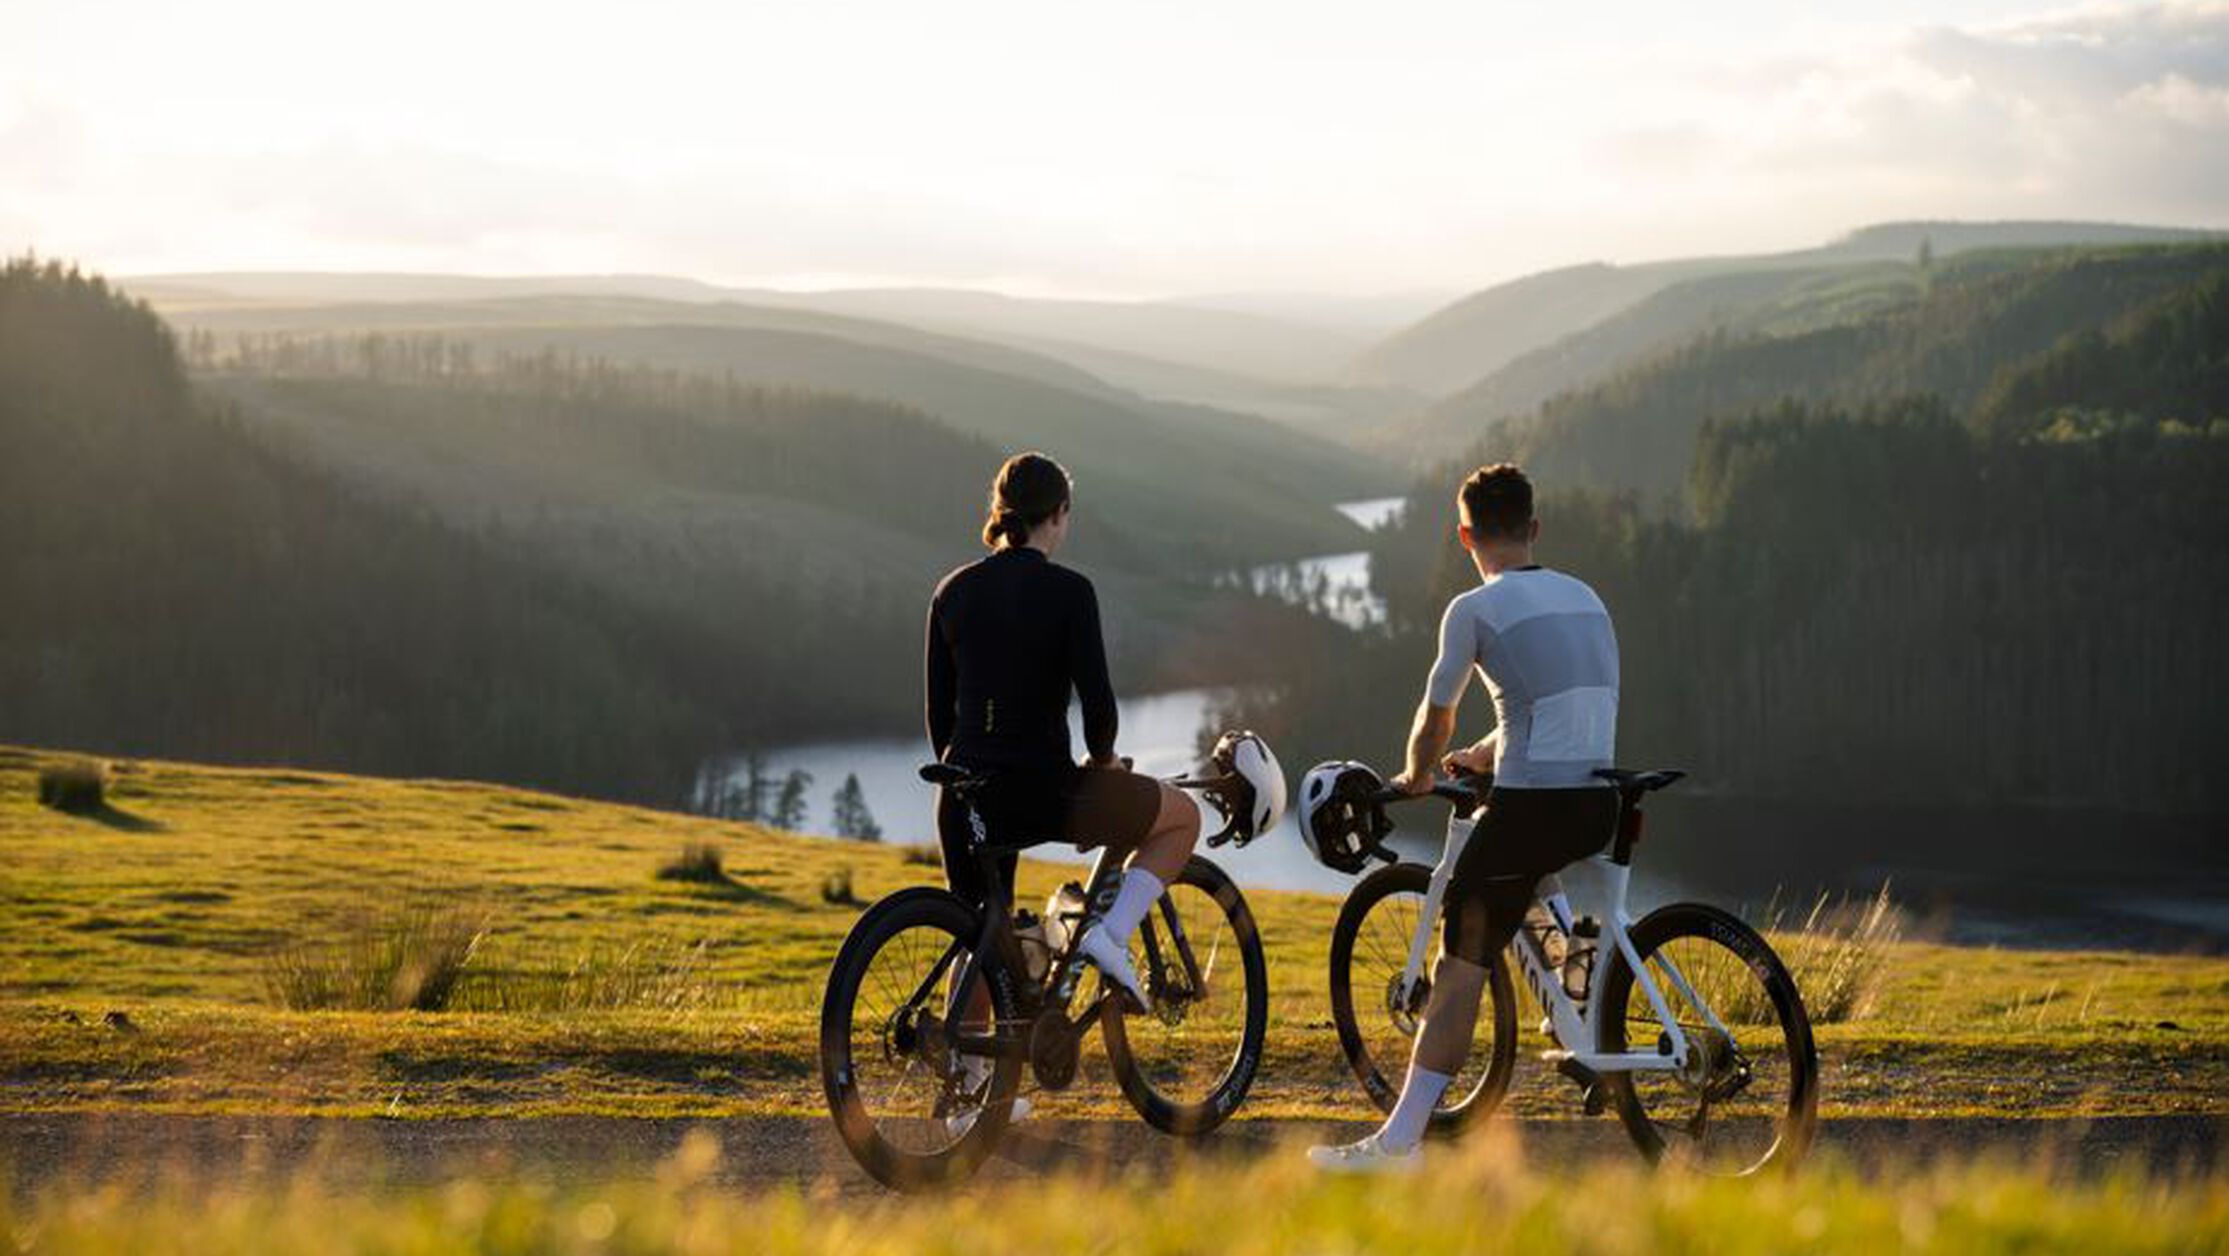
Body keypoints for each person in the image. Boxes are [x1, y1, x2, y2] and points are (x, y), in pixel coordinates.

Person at [1309, 463, 1621, 1172]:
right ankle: (1578, 1011)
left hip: (1535, 803)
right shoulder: (1585, 596)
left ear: (1465, 535)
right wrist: (1487, 755)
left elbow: (1437, 710)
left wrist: (1419, 772)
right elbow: (1561, 708)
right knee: (1528, 870)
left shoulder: (1473, 608)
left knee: (1458, 966)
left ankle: (1399, 1144)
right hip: (1596, 798)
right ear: (1533, 528)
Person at [926, 451, 1203, 1013]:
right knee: (1182, 817)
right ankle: (1111, 934)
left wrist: (969, 776)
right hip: (1042, 792)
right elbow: (1099, 711)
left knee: (981, 937)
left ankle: (971, 1086)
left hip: (963, 794)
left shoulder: (952, 590)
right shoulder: (1071, 591)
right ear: (1057, 515)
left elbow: (939, 715)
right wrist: (1105, 765)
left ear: (1001, 513)